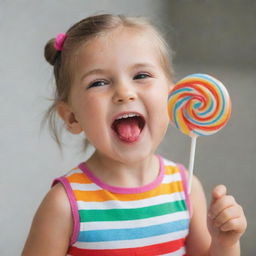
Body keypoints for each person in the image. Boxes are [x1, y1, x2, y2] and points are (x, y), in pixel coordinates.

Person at [22, 14, 247, 256]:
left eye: (141, 76)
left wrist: (225, 243)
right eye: (98, 82)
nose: (125, 93)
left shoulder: (186, 188)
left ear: (172, 99)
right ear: (72, 117)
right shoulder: (65, 204)